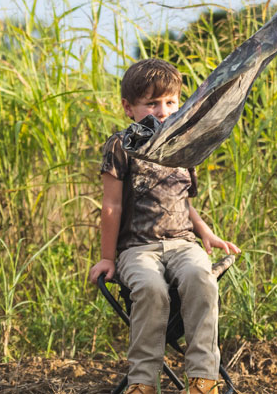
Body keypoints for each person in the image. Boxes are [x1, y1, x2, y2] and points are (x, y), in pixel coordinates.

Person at [88, 58, 241, 394]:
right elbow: (111, 206)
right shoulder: (121, 145)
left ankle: (203, 378)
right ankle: (142, 382)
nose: (162, 110)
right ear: (129, 107)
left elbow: (183, 201)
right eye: (152, 103)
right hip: (136, 248)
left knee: (201, 279)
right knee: (151, 289)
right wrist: (108, 258)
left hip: (183, 244)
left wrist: (206, 233)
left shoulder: (185, 146)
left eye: (170, 102)